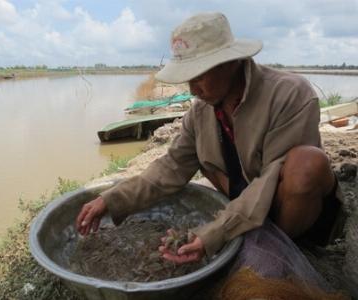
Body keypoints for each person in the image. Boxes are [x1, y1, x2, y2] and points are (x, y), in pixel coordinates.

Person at [76, 12, 341, 265]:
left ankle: (279, 246)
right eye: (187, 78)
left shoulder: (289, 94)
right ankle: (248, 233)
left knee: (307, 165)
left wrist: (215, 232)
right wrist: (111, 199)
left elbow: (270, 180)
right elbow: (170, 168)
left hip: (291, 209)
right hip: (244, 196)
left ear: (231, 62)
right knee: (201, 157)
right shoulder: (200, 112)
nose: (192, 89)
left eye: (199, 76)